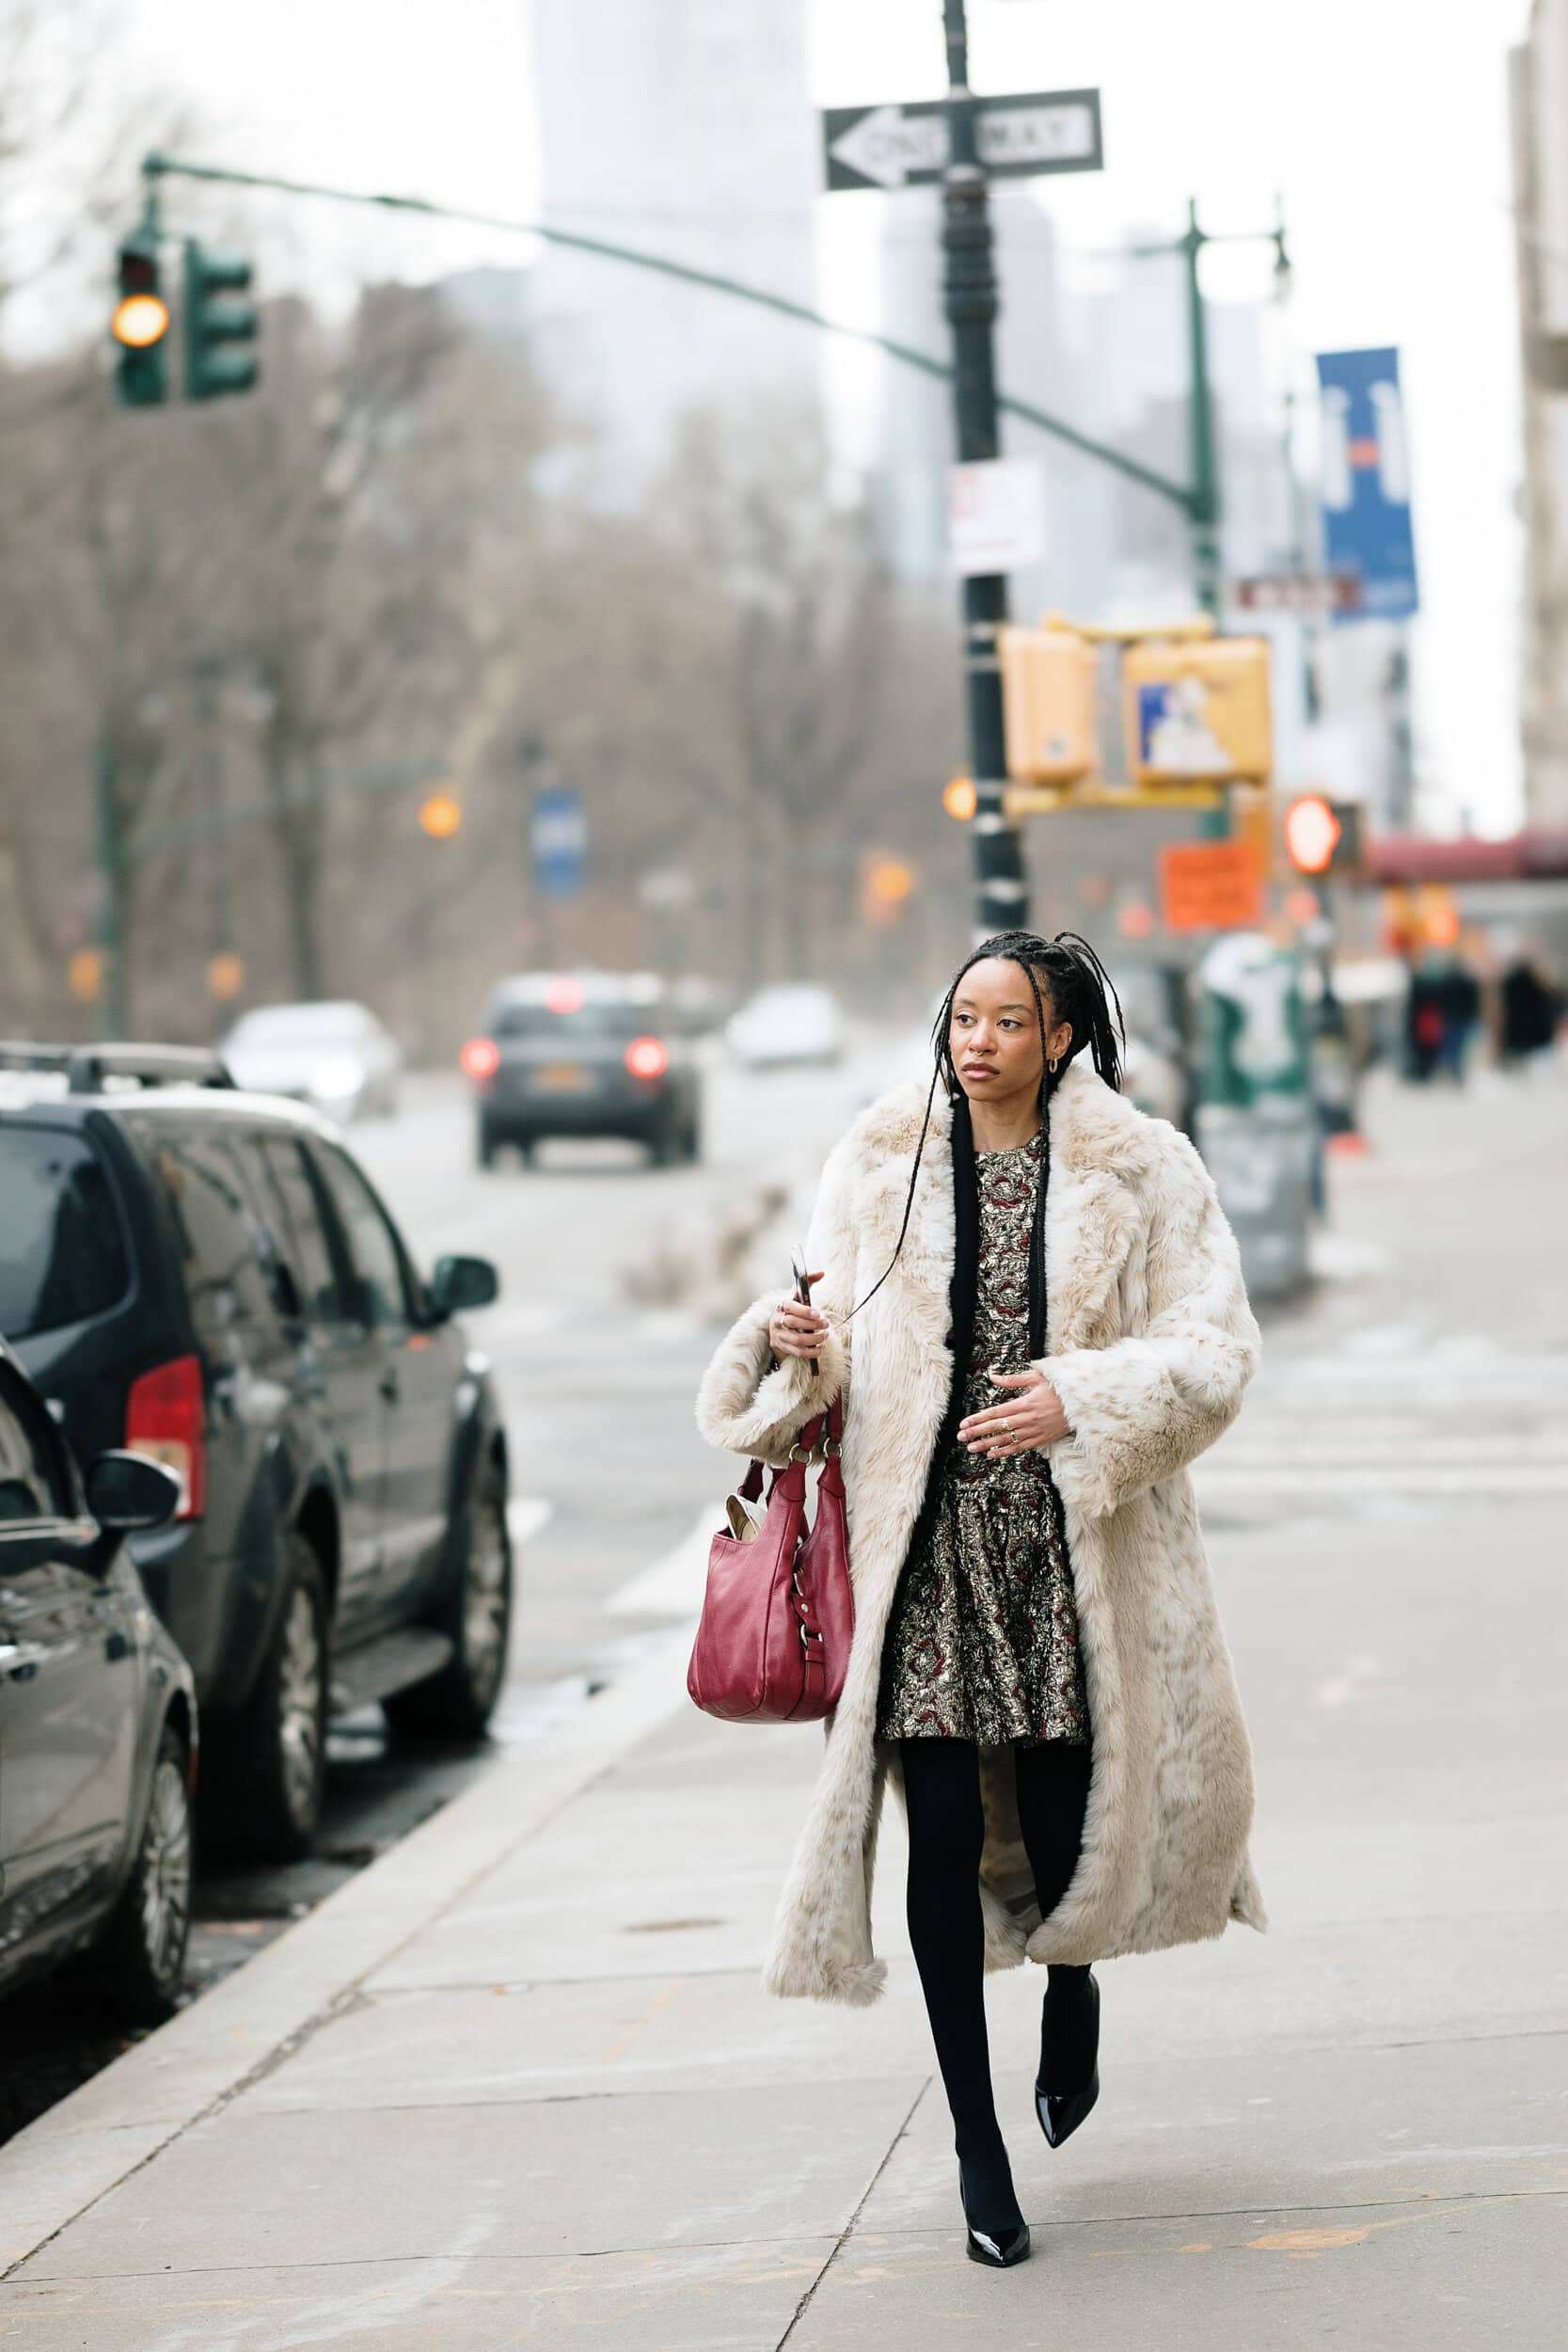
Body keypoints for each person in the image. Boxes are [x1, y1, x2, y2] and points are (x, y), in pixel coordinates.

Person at [697, 931, 1265, 2271]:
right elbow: (824, 1341)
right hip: (929, 1549)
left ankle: (1072, 1982)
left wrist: (1091, 1397)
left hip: (1074, 1550)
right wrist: (790, 1346)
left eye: (1011, 1021)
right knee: (940, 1829)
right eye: (965, 1016)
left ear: (1060, 1038)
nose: (981, 1040)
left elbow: (1216, 1350)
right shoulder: (877, 1162)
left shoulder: (1145, 1168)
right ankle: (977, 2145)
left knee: (1070, 1833)